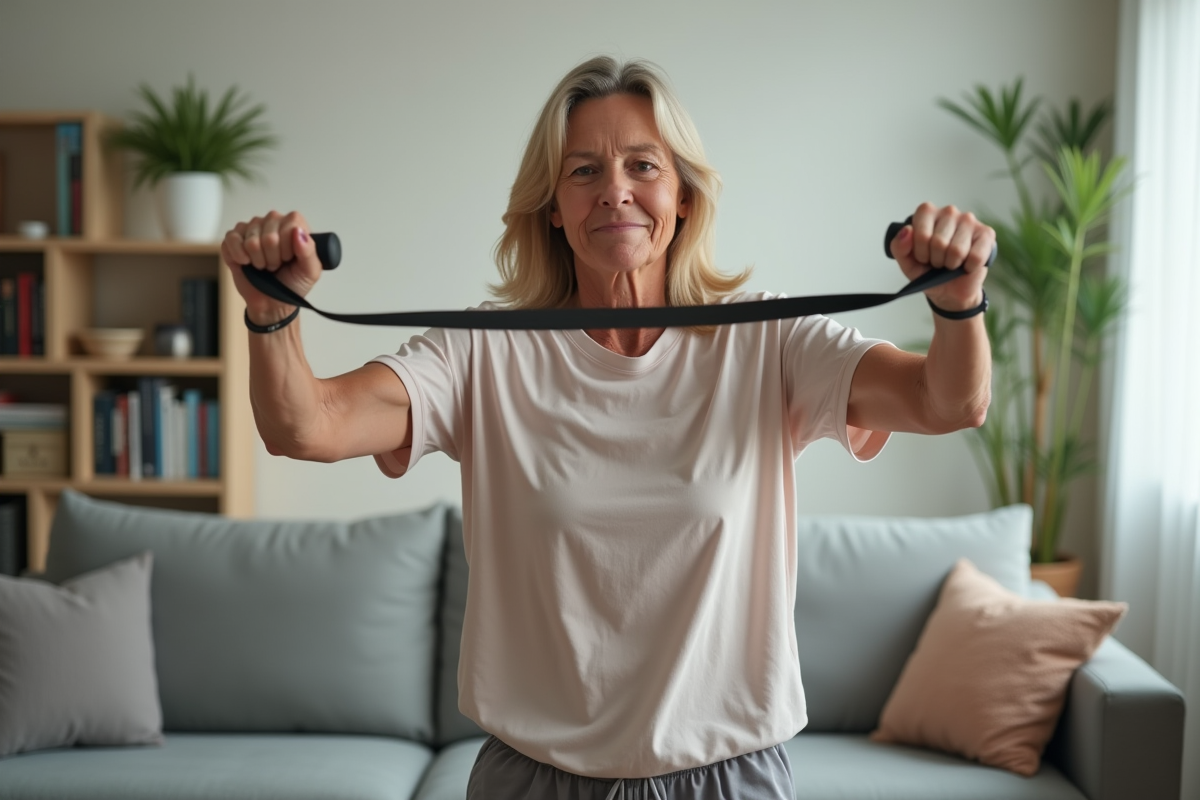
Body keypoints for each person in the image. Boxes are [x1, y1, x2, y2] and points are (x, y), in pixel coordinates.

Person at [222, 56, 993, 800]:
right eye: (584, 171)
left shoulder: (769, 341)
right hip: (532, 780)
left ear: (684, 195)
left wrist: (957, 303)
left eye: (643, 166)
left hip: (728, 778)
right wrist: (272, 314)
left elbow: (945, 401)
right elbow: (307, 427)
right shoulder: (483, 352)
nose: (614, 191)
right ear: (552, 207)